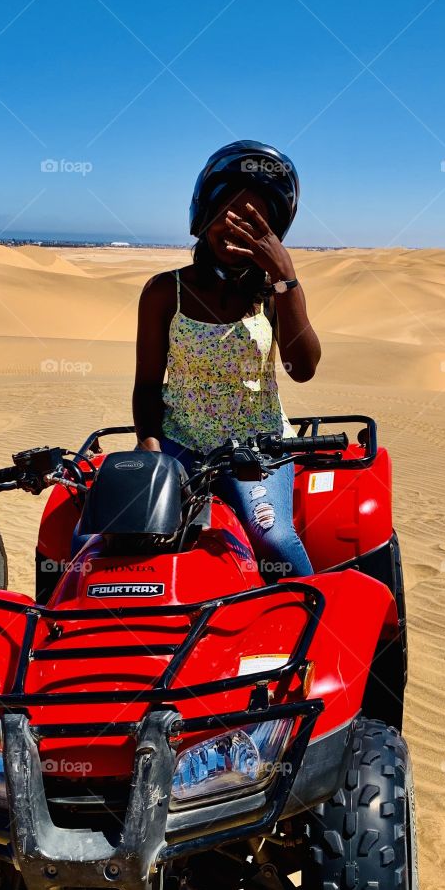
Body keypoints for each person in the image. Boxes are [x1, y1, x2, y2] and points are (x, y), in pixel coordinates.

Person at [132, 140, 321, 579]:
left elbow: (304, 369)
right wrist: (149, 443)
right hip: (181, 445)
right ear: (204, 215)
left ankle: (316, 629)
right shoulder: (165, 291)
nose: (237, 229)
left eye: (256, 222)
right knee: (117, 530)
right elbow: (146, 385)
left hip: (259, 448)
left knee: (271, 537)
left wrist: (285, 278)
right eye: (229, 214)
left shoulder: (271, 294)